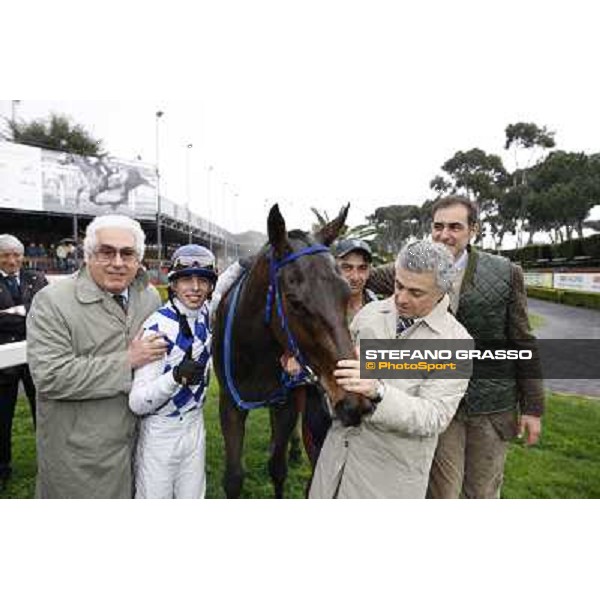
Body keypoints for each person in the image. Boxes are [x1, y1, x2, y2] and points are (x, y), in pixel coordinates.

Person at [368, 195, 544, 499]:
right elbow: (356, 278)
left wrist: (533, 407)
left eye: (455, 226)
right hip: (438, 399)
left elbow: (522, 341)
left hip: (491, 404)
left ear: (472, 229)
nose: (444, 234)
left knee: (482, 491)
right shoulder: (410, 266)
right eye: (437, 226)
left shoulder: (505, 272)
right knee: (441, 493)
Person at [309, 240, 473, 499]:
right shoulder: (369, 314)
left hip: (388, 480)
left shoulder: (457, 342)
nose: (401, 298)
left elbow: (434, 416)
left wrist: (378, 392)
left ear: (443, 291)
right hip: (334, 466)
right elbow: (340, 374)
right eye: (398, 285)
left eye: (416, 293)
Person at [27, 215, 166, 498]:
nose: (117, 262)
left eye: (127, 253)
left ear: (138, 258)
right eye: (106, 252)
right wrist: (127, 361)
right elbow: (50, 376)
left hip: (140, 446)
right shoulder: (52, 302)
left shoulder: (149, 297)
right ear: (88, 255)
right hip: (80, 459)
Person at [129, 244, 217, 499]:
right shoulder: (157, 327)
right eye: (187, 279)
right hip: (160, 431)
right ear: (174, 285)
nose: (196, 287)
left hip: (194, 426)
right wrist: (175, 377)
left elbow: (231, 281)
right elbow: (137, 403)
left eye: (203, 280)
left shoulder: (206, 314)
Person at [0, 234, 48, 492]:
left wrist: (10, 314)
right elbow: (34, 314)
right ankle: (2, 469)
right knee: (2, 419)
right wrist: (26, 313)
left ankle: (48, 462)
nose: (12, 260)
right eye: (5, 255)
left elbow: (48, 312)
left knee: (44, 413)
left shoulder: (37, 278)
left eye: (16, 255)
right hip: (3, 364)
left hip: (37, 360)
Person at [332, 238, 378, 323]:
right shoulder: (321, 309)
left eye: (362, 268)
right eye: (347, 268)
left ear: (369, 271)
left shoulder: (378, 308)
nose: (355, 277)